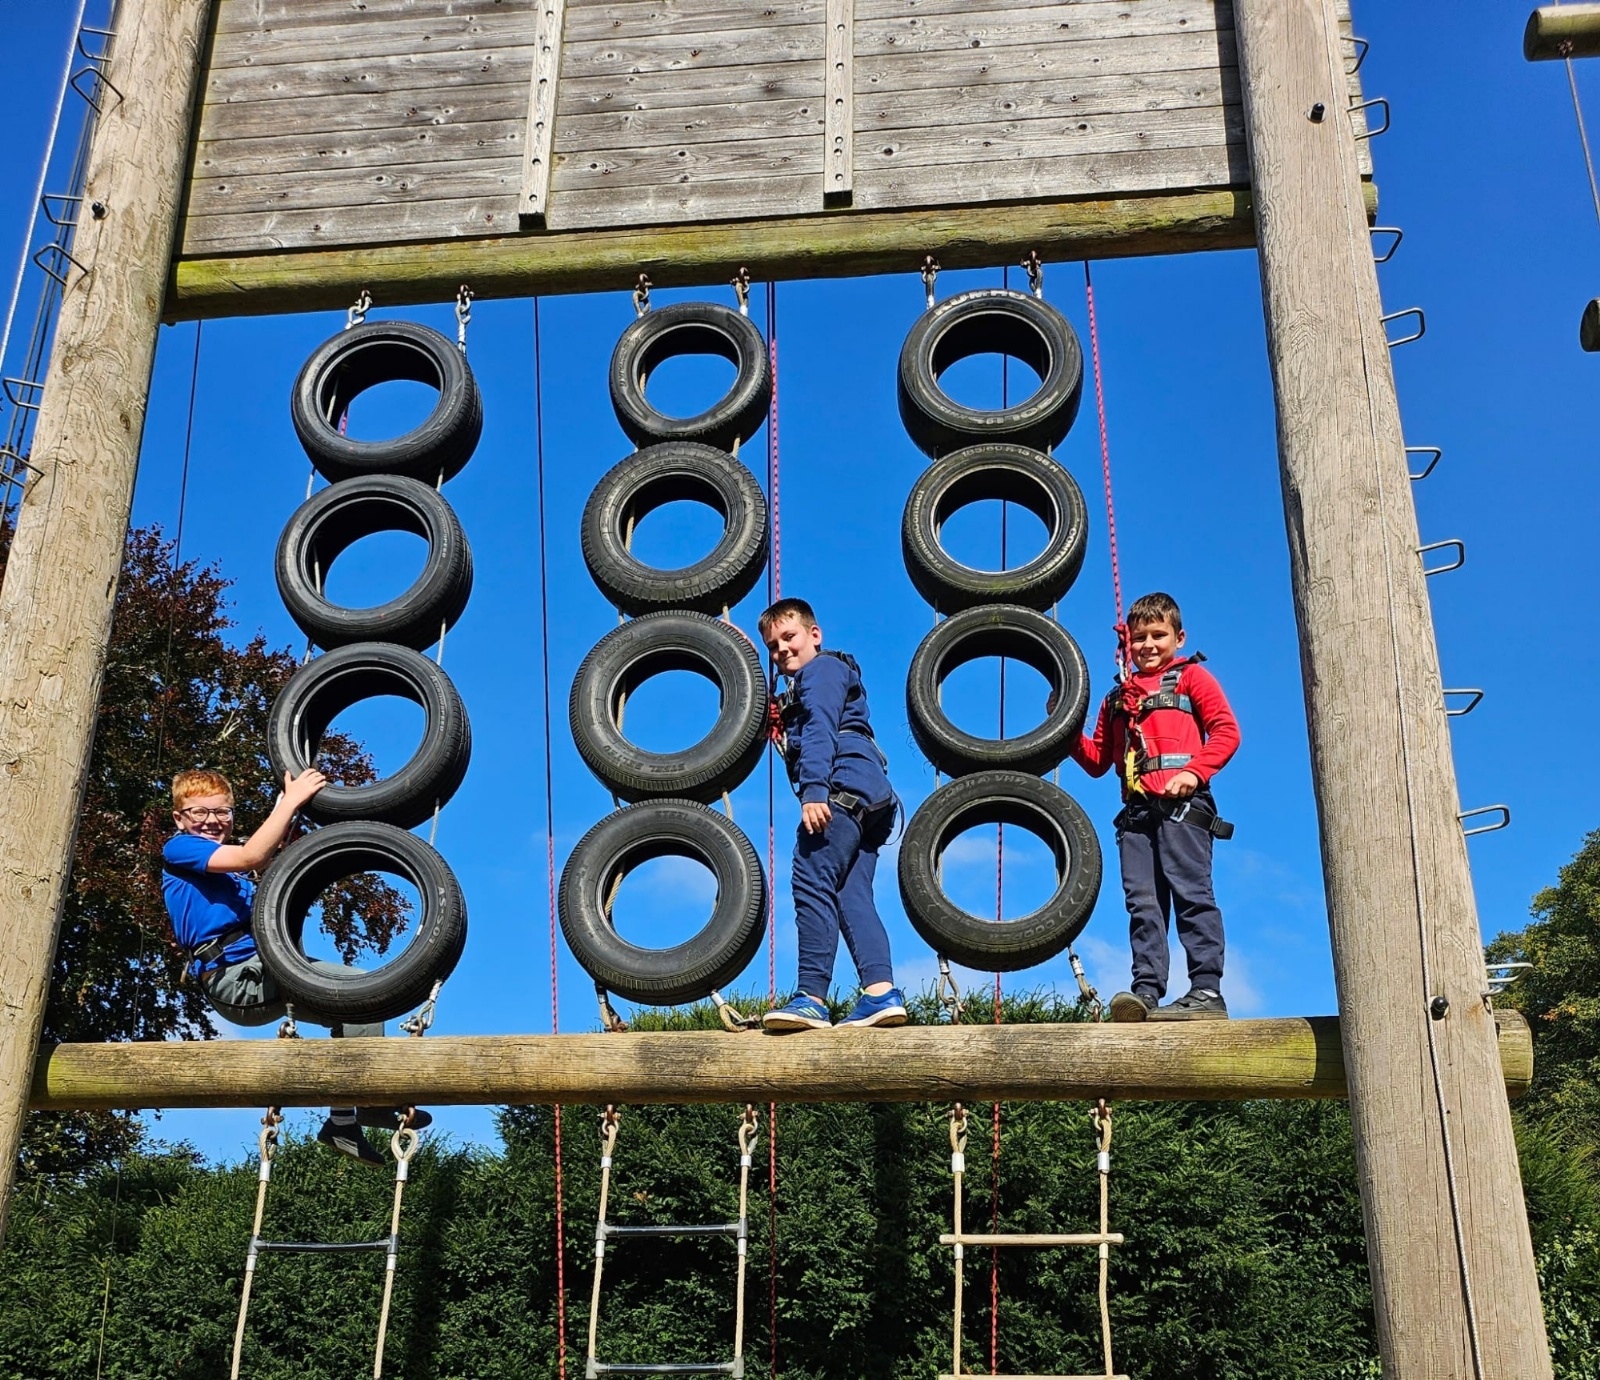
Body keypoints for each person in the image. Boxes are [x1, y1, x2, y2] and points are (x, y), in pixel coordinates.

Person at [161, 766, 430, 1164]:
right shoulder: (180, 848)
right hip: (235, 979)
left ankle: (344, 1120)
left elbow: (263, 865)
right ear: (180, 818)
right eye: (200, 812)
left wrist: (290, 810)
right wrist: (290, 802)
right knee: (354, 987)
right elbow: (251, 854)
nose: (212, 821)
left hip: (260, 968)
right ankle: (371, 1099)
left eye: (222, 812)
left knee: (360, 1001)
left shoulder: (234, 880)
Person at [1070, 592, 1241, 1022]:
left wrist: (1194, 772)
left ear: (1178, 638)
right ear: (1126, 643)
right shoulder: (1117, 698)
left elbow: (1226, 731)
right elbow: (1097, 761)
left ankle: (1206, 989)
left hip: (1182, 806)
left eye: (1158, 635)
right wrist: (1065, 727)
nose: (1147, 645)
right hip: (1137, 815)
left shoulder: (1190, 678)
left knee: (1191, 893)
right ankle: (1145, 992)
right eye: (1139, 637)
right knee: (1142, 903)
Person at [758, 599, 908, 1031]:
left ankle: (811, 998)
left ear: (815, 634)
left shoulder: (821, 670)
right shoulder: (824, 677)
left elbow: (821, 728)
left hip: (842, 787)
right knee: (850, 894)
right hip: (872, 798)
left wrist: (814, 792)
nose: (782, 650)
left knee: (811, 876)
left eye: (789, 637)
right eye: (773, 646)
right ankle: (880, 993)